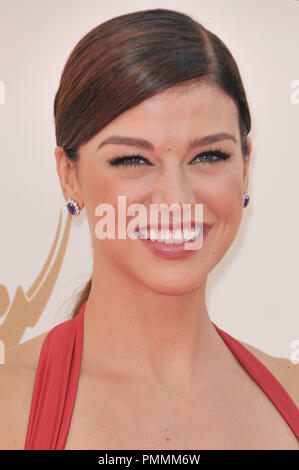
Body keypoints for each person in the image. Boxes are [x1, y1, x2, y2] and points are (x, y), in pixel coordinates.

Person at [1, 8, 298, 450]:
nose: (176, 201)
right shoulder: (9, 405)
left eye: (209, 156)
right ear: (70, 175)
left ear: (246, 164)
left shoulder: (291, 392)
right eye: (132, 160)